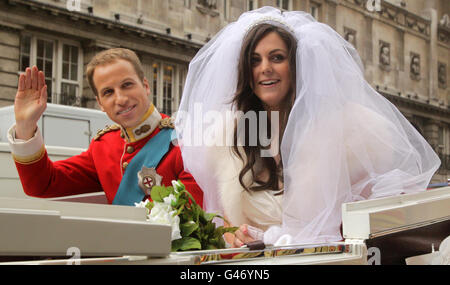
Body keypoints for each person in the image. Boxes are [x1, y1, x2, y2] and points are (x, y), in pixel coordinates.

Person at [175, 7, 440, 247]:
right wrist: (232, 236)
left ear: (296, 64)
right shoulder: (226, 137)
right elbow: (223, 222)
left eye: (276, 57)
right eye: (255, 60)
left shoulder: (349, 133)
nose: (264, 68)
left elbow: (383, 219)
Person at [8, 48, 203, 207]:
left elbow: (190, 224)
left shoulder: (187, 143)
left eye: (127, 85)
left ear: (145, 86)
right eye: (108, 92)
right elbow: (43, 184)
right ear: (100, 103)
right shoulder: (103, 146)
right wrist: (26, 125)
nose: (121, 99)